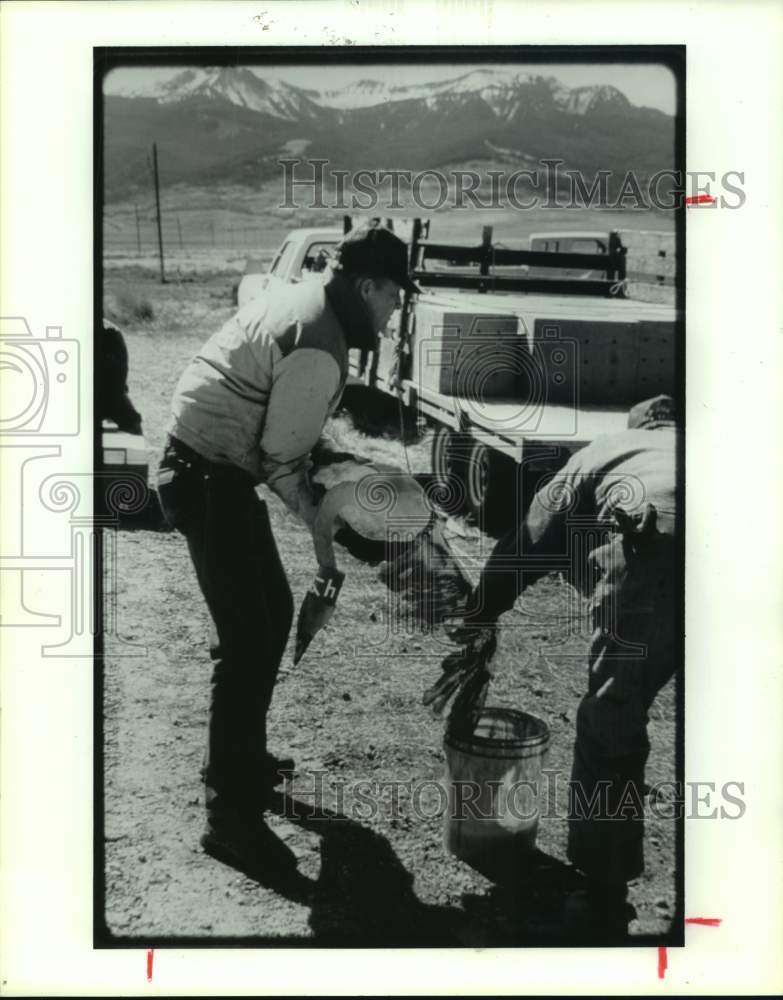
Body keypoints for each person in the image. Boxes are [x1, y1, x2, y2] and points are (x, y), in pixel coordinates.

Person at [156, 225, 419, 879]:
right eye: (393, 297)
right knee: (248, 641)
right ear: (366, 286)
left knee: (268, 617)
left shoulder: (308, 303)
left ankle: (243, 760)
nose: (394, 313)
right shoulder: (321, 343)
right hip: (208, 477)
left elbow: (289, 438)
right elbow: (283, 462)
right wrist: (339, 534)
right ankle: (229, 817)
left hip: (215, 469)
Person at [436, 394, 682, 941]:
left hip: (656, 542)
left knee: (609, 721)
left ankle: (602, 899)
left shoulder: (606, 449)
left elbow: (529, 538)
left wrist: (480, 612)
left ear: (635, 424)